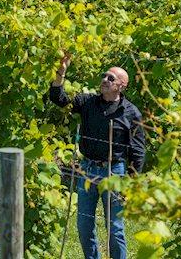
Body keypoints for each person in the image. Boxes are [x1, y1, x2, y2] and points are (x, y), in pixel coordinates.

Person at [49, 54, 145, 259]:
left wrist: (132, 181)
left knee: (115, 228)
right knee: (84, 225)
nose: (105, 80)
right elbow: (59, 99)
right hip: (87, 169)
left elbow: (138, 151)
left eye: (111, 78)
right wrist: (62, 71)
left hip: (114, 172)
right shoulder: (88, 102)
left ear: (121, 86)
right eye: (104, 76)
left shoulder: (131, 113)